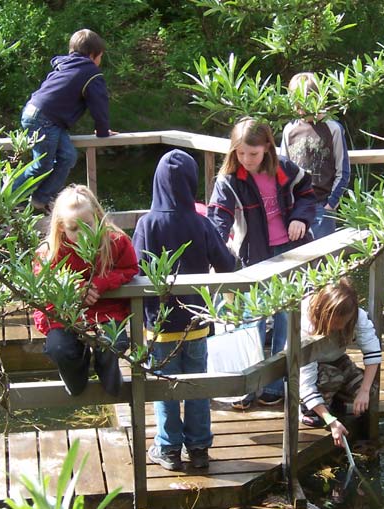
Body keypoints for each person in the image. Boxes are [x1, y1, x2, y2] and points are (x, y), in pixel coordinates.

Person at [133, 150, 237, 471]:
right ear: (192, 183)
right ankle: (199, 448)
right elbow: (227, 264)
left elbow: (135, 271)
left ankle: (168, 449)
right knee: (197, 386)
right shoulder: (201, 223)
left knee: (166, 389)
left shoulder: (147, 224)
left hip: (159, 327)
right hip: (196, 324)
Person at [208, 117, 316, 409]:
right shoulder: (230, 179)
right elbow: (218, 219)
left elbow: (308, 195)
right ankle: (247, 384)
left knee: (284, 318)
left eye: (252, 154)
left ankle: (272, 384)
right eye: (240, 153)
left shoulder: (285, 170)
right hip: (252, 256)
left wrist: (300, 219)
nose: (246, 160)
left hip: (289, 253)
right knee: (250, 321)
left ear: (268, 146)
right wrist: (212, 253)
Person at [33, 184, 138, 396]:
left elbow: (130, 268)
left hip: (106, 311)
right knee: (58, 348)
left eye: (87, 224)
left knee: (113, 343)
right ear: (61, 226)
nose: (82, 233)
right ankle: (77, 378)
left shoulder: (115, 241)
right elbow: (42, 284)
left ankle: (108, 377)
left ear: (98, 217)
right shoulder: (50, 251)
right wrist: (72, 289)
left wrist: (101, 283)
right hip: (64, 314)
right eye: (74, 228)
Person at [14, 29, 117, 212]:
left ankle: (40, 199)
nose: (100, 62)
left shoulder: (65, 65)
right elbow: (99, 105)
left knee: (68, 157)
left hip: (39, 115)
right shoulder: (91, 73)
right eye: (100, 57)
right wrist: (103, 132)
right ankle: (5, 197)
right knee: (42, 165)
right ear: (93, 55)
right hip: (44, 118)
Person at [298, 279, 381, 447]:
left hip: (337, 359)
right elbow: (305, 382)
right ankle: (308, 409)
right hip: (311, 369)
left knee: (371, 389)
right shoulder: (305, 327)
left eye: (345, 322)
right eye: (336, 323)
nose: (340, 327)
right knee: (332, 378)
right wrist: (331, 421)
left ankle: (335, 398)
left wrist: (364, 391)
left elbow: (372, 350)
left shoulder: (358, 315)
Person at [279, 72, 350, 239]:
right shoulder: (290, 130)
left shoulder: (333, 128)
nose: (300, 109)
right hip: (296, 206)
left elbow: (343, 171)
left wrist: (331, 204)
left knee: (324, 260)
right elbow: (283, 171)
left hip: (322, 205)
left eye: (304, 102)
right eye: (296, 103)